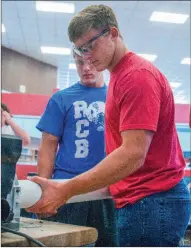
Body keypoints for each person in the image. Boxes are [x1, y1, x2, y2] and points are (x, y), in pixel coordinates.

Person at [27, 4, 191, 246]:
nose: (86, 57)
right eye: (79, 50)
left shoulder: (137, 76)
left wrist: (66, 190)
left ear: (112, 33)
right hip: (138, 199)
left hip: (152, 201)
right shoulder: (120, 76)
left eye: (90, 46)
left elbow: (133, 154)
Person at [27, 53, 118, 247]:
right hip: (66, 190)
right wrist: (43, 190)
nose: (86, 67)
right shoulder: (61, 98)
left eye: (92, 61)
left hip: (105, 190)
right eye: (80, 62)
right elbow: (48, 147)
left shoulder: (116, 97)